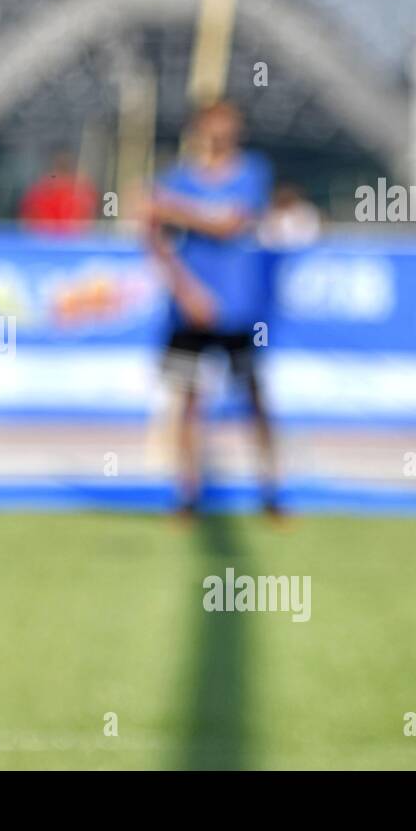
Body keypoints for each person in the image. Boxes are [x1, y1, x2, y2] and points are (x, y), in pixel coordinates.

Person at [145, 101, 279, 518]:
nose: (222, 132)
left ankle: (271, 491)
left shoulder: (252, 173)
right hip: (191, 311)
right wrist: (186, 291)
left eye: (229, 124)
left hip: (239, 310)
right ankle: (187, 495)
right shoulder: (178, 177)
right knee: (189, 401)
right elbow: (152, 235)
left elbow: (230, 224)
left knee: (255, 399)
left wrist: (169, 206)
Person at [19, 150, 99, 235]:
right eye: (60, 166)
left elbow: (89, 221)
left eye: (66, 167)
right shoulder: (40, 189)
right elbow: (28, 221)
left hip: (74, 242)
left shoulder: (83, 189)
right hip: (45, 241)